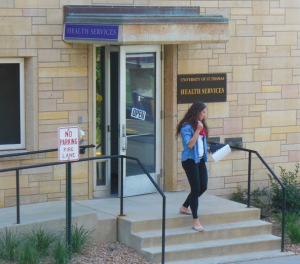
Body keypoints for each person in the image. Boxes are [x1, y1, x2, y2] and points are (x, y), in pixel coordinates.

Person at [175, 101, 209, 232]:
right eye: (203, 112)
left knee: (203, 186)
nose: (205, 115)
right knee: (195, 189)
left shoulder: (200, 125)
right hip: (189, 161)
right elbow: (189, 145)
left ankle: (184, 207)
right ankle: (196, 221)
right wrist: (198, 131)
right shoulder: (187, 127)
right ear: (197, 112)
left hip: (200, 160)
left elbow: (200, 144)